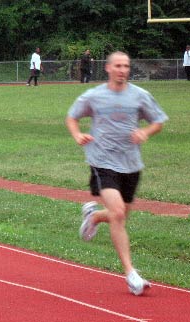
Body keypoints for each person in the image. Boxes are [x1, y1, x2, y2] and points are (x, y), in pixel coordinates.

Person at [65, 51, 168, 296]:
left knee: (119, 215)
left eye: (126, 66)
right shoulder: (95, 95)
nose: (123, 70)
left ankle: (95, 217)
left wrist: (146, 132)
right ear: (109, 68)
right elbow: (72, 117)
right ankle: (131, 274)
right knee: (119, 213)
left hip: (131, 164)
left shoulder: (140, 96)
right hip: (102, 161)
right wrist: (78, 134)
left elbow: (158, 121)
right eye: (118, 66)